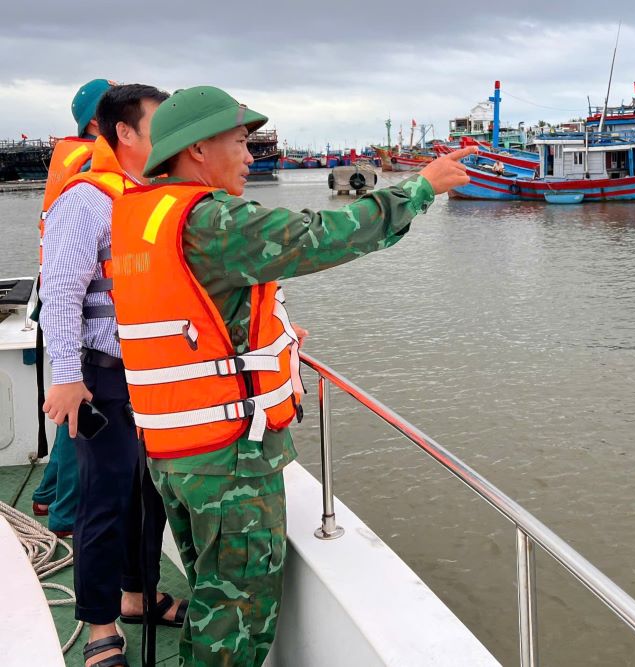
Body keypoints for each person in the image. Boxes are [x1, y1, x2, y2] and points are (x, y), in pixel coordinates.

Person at [109, 85, 475, 666]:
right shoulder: (213, 222)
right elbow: (322, 236)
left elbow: (197, 315)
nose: (252, 156)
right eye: (240, 142)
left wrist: (271, 337)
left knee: (211, 596)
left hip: (174, 453)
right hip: (228, 464)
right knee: (233, 623)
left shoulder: (144, 215)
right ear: (199, 150)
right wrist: (420, 188)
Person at [40, 83, 188, 667]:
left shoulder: (150, 195)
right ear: (124, 133)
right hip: (101, 377)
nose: (171, 135)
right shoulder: (87, 199)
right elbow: (61, 294)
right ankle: (101, 625)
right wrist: (66, 375)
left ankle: (137, 595)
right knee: (103, 503)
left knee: (147, 499)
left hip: (153, 378)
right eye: (161, 123)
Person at [31, 78, 115, 537]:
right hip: (78, 306)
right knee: (76, 413)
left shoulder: (74, 158)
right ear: (100, 123)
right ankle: (64, 514)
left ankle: (46, 496)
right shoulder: (92, 165)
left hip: (64, 293)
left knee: (73, 412)